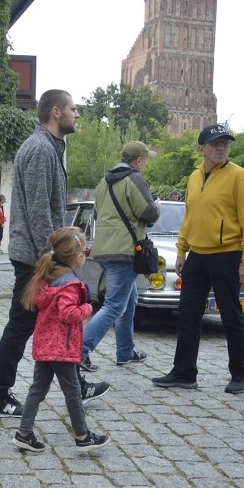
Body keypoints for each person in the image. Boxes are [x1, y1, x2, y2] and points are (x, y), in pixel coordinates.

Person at [0, 89, 109, 419]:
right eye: (73, 108)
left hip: (40, 254)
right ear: (56, 112)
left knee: (49, 322)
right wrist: (55, 258)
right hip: (37, 257)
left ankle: (75, 384)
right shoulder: (40, 149)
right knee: (21, 324)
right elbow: (40, 210)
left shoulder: (49, 147)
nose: (77, 114)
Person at [153, 124, 244, 394]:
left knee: (231, 315)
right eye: (215, 144)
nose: (222, 147)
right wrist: (181, 250)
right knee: (187, 314)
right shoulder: (193, 177)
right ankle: (184, 372)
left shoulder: (240, 177)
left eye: (225, 143)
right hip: (197, 256)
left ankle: (240, 373)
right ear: (202, 149)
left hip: (227, 254)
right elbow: (190, 217)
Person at [12, 227, 111, 453]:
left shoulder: (51, 278)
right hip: (62, 348)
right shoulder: (70, 284)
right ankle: (83, 436)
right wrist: (86, 307)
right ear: (77, 257)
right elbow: (68, 314)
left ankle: (24, 433)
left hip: (46, 344)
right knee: (73, 391)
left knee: (37, 389)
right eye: (85, 250)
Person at [80, 141, 160, 372]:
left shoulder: (102, 183)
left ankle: (125, 351)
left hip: (104, 250)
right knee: (114, 305)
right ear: (138, 161)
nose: (145, 164)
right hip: (125, 251)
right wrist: (157, 205)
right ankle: (80, 350)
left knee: (130, 299)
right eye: (145, 160)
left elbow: (97, 215)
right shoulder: (134, 179)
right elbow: (148, 212)